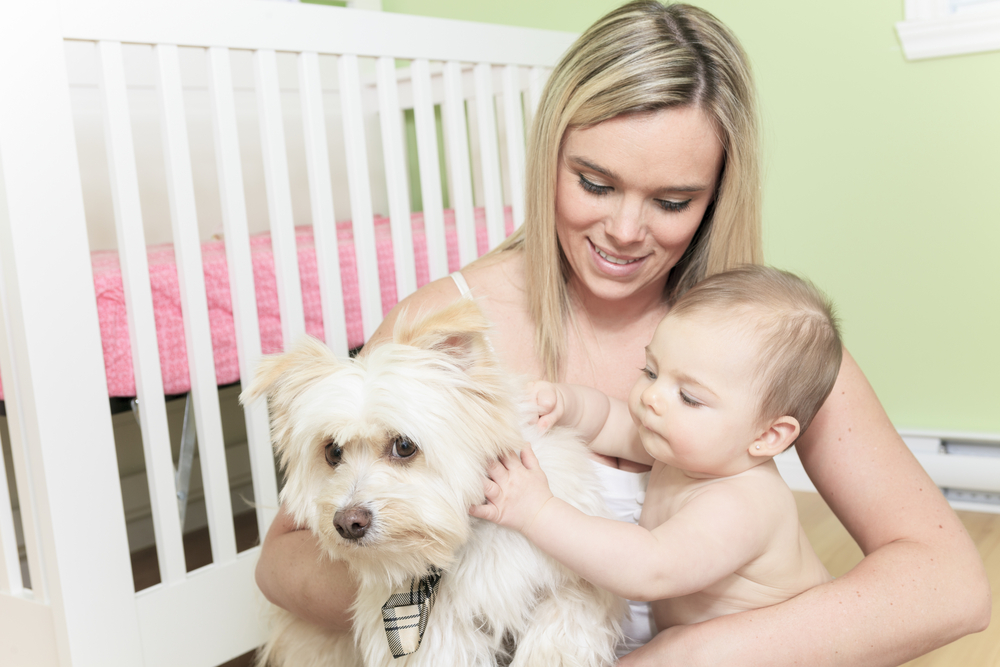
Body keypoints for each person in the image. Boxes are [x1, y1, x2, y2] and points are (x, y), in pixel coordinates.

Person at [255, 2, 990, 664]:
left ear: (717, 196)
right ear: (549, 157)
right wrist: (454, 579)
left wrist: (694, 653)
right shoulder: (445, 329)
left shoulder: (757, 342)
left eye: (672, 199)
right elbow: (281, 565)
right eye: (596, 184)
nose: (625, 231)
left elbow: (948, 583)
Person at [470, 266, 839, 637]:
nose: (652, 396)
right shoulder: (689, 449)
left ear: (770, 434)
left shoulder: (743, 504)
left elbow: (647, 567)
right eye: (650, 371)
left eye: (689, 397)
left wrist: (537, 512)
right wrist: (565, 404)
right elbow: (607, 422)